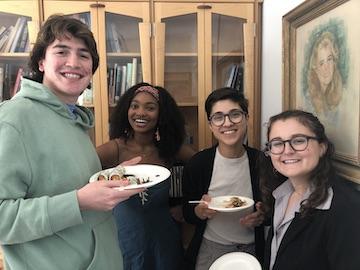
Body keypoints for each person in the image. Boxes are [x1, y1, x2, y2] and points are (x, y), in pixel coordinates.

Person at [0, 15, 144, 270]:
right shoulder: (14, 118)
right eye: (62, 51)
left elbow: (63, 183)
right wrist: (78, 202)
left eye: (84, 55)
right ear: (42, 61)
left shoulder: (72, 118)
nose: (74, 63)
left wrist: (113, 179)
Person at [96, 82, 196, 270]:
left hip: (164, 238)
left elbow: (204, 166)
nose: (140, 113)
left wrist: (187, 207)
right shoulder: (114, 149)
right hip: (125, 238)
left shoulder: (169, 149)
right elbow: (79, 173)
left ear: (161, 115)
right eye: (134, 106)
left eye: (150, 108)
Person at [260, 109, 360, 270]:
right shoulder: (281, 193)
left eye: (299, 141)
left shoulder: (347, 208)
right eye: (278, 143)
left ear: (322, 147)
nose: (287, 150)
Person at [182, 87, 266, 270]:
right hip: (211, 250)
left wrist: (262, 216)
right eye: (218, 117)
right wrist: (198, 211)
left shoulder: (263, 162)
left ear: (246, 118)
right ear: (211, 125)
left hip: (252, 250)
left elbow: (274, 210)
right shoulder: (198, 164)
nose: (227, 123)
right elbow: (187, 211)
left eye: (235, 114)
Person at [307, 31, 343, 115]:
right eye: (321, 63)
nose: (326, 67)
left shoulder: (344, 94)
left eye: (329, 59)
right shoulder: (308, 99)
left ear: (334, 63)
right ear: (315, 69)